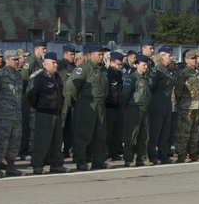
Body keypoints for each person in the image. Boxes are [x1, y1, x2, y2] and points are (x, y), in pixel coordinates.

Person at [68, 43, 109, 171]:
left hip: (100, 105)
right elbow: (72, 87)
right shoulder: (84, 69)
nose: (102, 57)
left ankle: (99, 161)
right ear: (91, 55)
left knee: (100, 134)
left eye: (102, 55)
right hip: (87, 104)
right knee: (83, 134)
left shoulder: (102, 70)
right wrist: (78, 102)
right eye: (99, 54)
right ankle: (81, 161)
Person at [26, 51, 67, 174]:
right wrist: (39, 106)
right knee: (42, 141)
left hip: (57, 113)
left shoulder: (57, 77)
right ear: (45, 64)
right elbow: (31, 95)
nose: (56, 65)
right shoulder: (39, 78)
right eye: (53, 63)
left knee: (57, 141)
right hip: (44, 113)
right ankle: (37, 164)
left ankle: (56, 164)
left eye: (56, 63)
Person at [0, 49, 25, 176]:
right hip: (2, 115)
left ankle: (11, 166)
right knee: (0, 142)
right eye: (14, 59)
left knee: (14, 142)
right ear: (7, 60)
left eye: (18, 59)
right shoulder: (0, 75)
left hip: (16, 115)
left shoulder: (18, 76)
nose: (17, 61)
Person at [172, 49, 199, 163]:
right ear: (186, 60)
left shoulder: (198, 71)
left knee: (196, 131)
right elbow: (178, 91)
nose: (195, 60)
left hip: (198, 105)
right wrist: (181, 103)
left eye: (196, 58)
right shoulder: (183, 73)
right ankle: (181, 154)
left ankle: (193, 153)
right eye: (192, 58)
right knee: (183, 132)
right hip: (186, 106)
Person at [121, 54, 152, 167]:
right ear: (137, 65)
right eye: (143, 65)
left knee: (144, 135)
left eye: (147, 65)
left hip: (145, 109)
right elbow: (125, 94)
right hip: (134, 109)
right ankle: (129, 159)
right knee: (131, 135)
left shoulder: (146, 78)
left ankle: (142, 157)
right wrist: (125, 107)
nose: (146, 67)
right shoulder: (132, 78)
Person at [147, 46, 176, 164]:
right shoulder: (157, 71)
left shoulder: (167, 70)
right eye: (169, 55)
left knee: (165, 131)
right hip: (157, 103)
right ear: (162, 56)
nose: (171, 58)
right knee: (155, 130)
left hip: (167, 103)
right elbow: (150, 88)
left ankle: (163, 154)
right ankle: (152, 155)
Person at [103, 51, 126, 161]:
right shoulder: (108, 74)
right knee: (107, 132)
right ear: (111, 62)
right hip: (109, 106)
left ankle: (114, 152)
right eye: (118, 64)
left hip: (118, 106)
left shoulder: (119, 74)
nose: (120, 66)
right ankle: (104, 153)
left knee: (117, 132)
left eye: (121, 64)